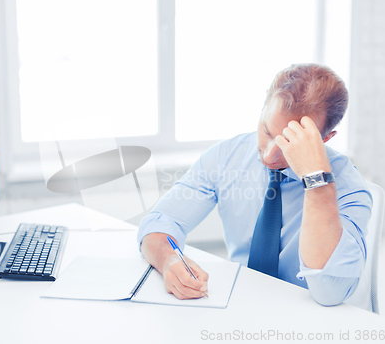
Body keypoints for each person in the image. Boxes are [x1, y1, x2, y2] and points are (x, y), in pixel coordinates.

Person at [137, 63, 372, 306]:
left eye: (290, 142)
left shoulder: (347, 185)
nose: (269, 156)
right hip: (241, 304)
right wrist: (168, 261)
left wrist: (317, 181)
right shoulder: (226, 156)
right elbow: (160, 222)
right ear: (263, 109)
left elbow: (330, 293)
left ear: (323, 138)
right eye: (268, 132)